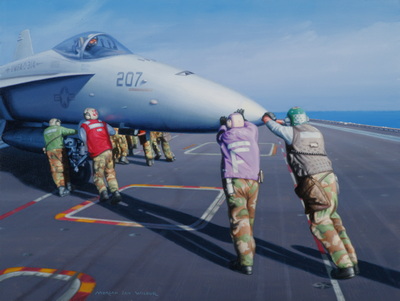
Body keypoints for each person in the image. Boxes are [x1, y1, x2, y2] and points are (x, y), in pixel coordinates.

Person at [262, 107, 359, 280]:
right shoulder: (315, 131)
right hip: (329, 178)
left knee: (320, 221)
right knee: (334, 218)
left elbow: (275, 128)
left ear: (291, 121)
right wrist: (281, 121)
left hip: (314, 181)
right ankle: (352, 261)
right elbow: (290, 126)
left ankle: (344, 266)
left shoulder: (291, 133)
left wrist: (267, 118)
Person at [217, 110, 262, 275]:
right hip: (254, 181)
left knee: (239, 221)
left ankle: (245, 263)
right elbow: (252, 126)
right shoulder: (251, 133)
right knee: (249, 219)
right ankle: (249, 253)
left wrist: (223, 123)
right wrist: (244, 118)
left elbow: (220, 133)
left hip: (235, 181)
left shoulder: (226, 136)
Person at [79, 108, 122, 204]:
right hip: (108, 151)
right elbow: (112, 132)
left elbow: (82, 138)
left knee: (98, 175)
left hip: (98, 153)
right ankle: (116, 192)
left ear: (87, 115)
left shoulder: (84, 126)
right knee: (110, 172)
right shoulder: (103, 123)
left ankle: (103, 193)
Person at [43, 118, 77, 197]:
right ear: (57, 122)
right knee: (64, 167)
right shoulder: (59, 129)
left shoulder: (45, 131)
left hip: (50, 151)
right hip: (60, 150)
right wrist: (79, 131)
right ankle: (65, 187)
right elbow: (71, 131)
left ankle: (62, 186)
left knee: (55, 169)